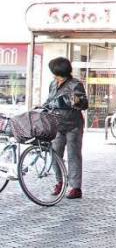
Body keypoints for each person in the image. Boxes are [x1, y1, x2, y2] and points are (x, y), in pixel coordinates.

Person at [43, 56, 88, 200]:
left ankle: (75, 188)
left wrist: (77, 101)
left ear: (59, 72)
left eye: (54, 72)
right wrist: (43, 107)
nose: (53, 75)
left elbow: (84, 104)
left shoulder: (75, 84)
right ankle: (60, 182)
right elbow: (49, 101)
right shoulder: (53, 84)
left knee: (73, 155)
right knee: (55, 153)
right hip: (56, 124)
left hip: (73, 125)